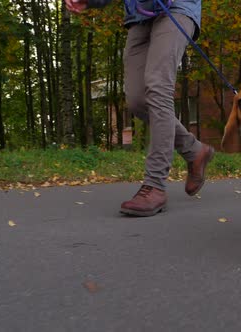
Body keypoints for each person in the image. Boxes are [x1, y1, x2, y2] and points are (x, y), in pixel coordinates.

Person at [65, 0, 214, 217]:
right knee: (137, 99)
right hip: (139, 15)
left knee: (157, 87)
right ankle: (194, 150)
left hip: (175, 8)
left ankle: (154, 186)